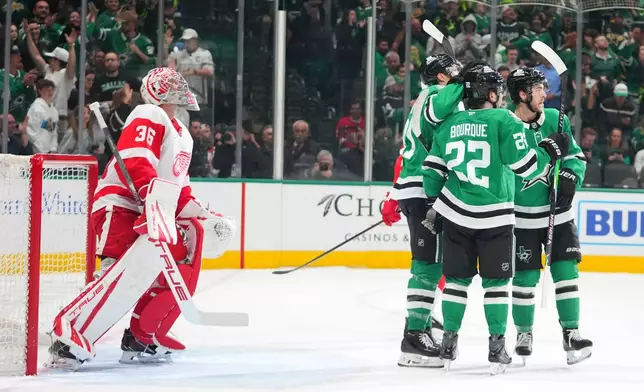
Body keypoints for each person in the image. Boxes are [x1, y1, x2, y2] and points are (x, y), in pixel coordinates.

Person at [46, 67, 235, 370]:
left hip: (151, 210)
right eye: (170, 85)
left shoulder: (182, 134)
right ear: (158, 90)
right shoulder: (148, 114)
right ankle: (69, 334)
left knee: (180, 262)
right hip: (120, 206)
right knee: (118, 276)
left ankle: (143, 335)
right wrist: (151, 193)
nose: (176, 89)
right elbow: (136, 159)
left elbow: (178, 189)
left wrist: (201, 213)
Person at [420, 64, 570, 374]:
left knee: (457, 284)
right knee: (497, 285)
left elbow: (431, 173)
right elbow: (528, 168)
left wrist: (435, 203)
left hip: (456, 217)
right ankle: (496, 345)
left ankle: (449, 342)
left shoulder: (449, 123)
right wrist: (549, 150)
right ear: (491, 93)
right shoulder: (504, 119)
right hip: (495, 219)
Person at [381, 54, 467, 368]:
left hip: (419, 188)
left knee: (433, 261)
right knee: (428, 264)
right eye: (454, 75)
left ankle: (423, 322)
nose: (461, 80)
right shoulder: (434, 97)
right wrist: (460, 79)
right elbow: (445, 105)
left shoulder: (428, 98)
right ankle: (414, 336)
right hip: (422, 190)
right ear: (442, 78)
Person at [506, 68, 592, 365]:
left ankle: (572, 333)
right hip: (522, 218)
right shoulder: (505, 125)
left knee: (566, 272)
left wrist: (570, 175)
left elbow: (575, 155)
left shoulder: (558, 119)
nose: (545, 93)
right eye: (538, 88)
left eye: (545, 87)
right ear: (522, 94)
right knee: (526, 277)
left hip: (559, 215)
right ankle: (523, 332)